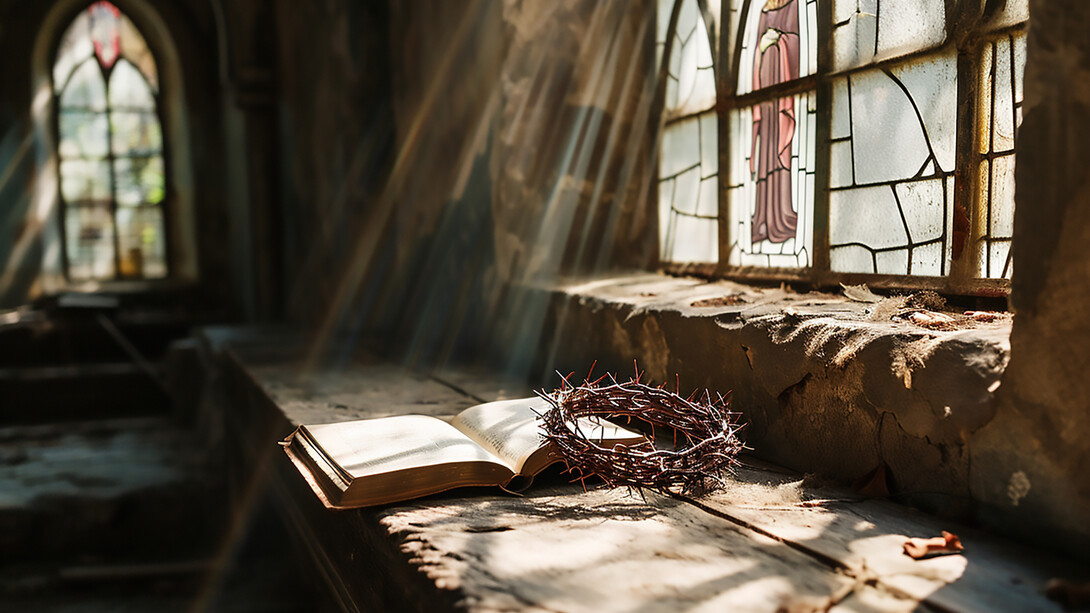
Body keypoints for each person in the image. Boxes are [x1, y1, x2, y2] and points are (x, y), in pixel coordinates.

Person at [749, 0, 799, 244]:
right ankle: (763, 219)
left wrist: (780, 41)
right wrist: (761, 47)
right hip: (766, 93)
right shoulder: (764, 10)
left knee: (780, 152)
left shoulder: (794, 5)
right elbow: (754, 57)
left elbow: (803, 47)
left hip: (783, 92)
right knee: (766, 153)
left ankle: (781, 216)